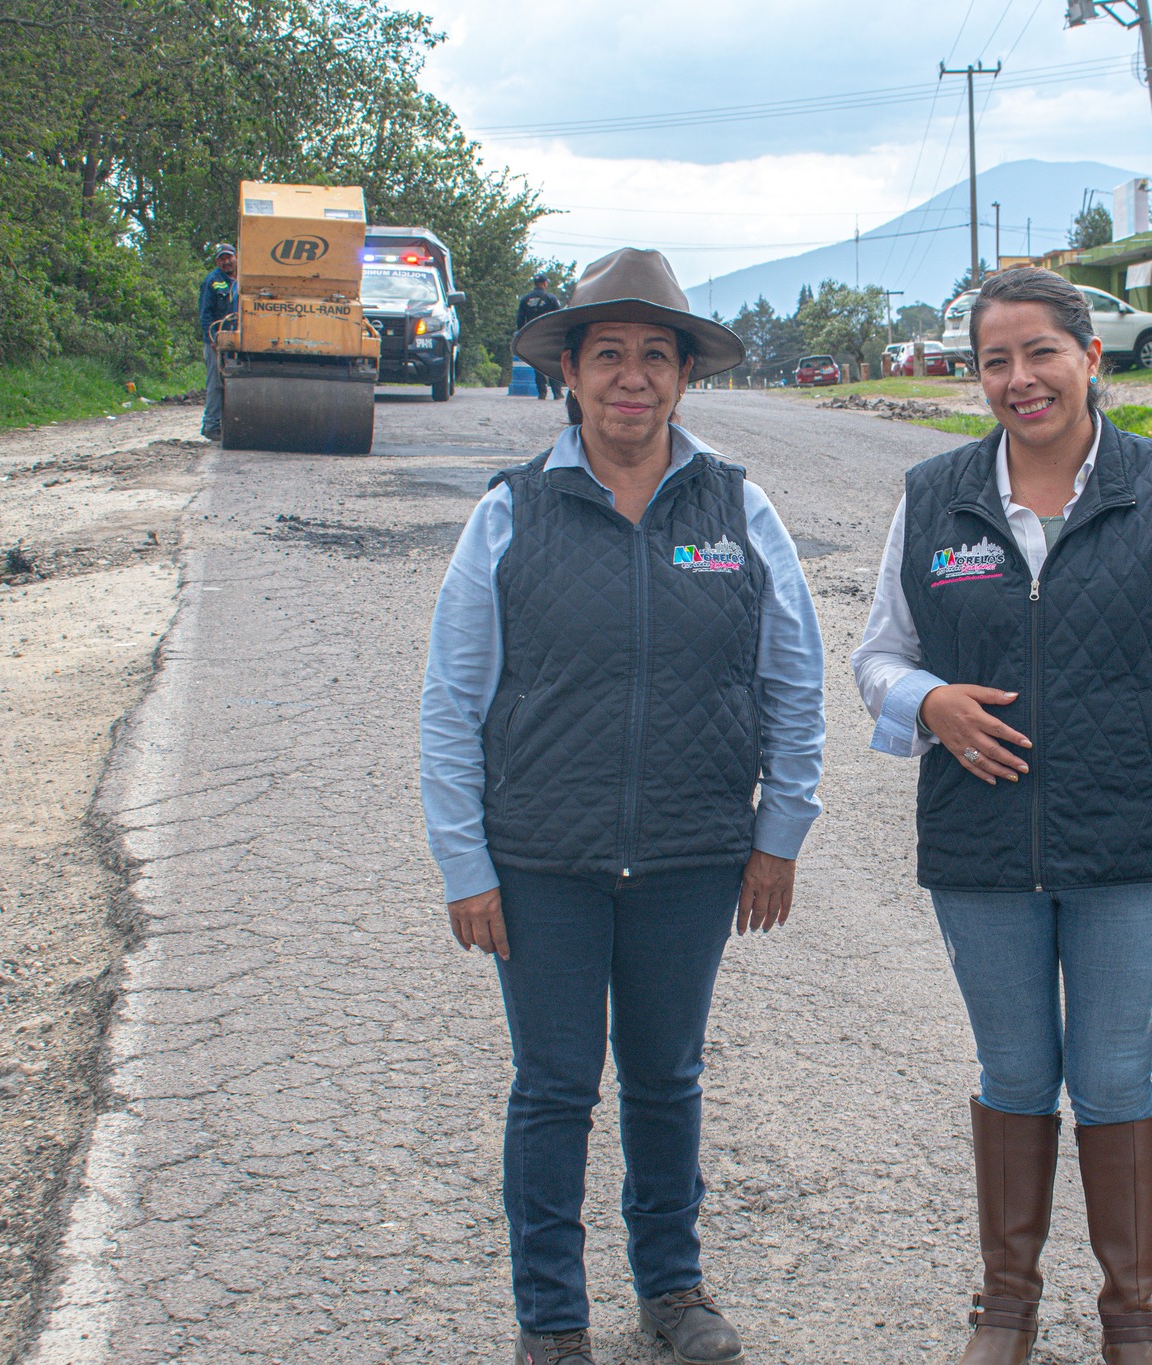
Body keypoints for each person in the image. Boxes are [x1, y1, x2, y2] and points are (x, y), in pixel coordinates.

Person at [852, 267, 1152, 1365]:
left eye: (1039, 352)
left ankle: (1129, 1313)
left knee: (1113, 1079)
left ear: (1089, 357)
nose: (1017, 379)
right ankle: (1006, 1305)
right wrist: (927, 701)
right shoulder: (934, 494)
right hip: (981, 849)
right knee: (1012, 1075)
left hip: (1127, 847)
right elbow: (878, 656)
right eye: (994, 360)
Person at [420, 247, 826, 1365]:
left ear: (685, 376)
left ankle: (673, 1291)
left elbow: (793, 679)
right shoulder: (508, 514)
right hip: (541, 859)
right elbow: (451, 703)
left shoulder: (738, 509)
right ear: (571, 375)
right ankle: (550, 1317)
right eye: (609, 357)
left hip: (695, 855)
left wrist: (777, 834)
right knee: (553, 1088)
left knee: (665, 1077)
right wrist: (465, 863)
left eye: (656, 355)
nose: (632, 378)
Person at [197, 244, 237, 441]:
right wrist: (211, 338)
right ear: (217, 262)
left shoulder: (243, 280)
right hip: (216, 341)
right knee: (216, 382)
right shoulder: (212, 282)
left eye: (229, 257)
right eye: (222, 258)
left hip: (236, 339)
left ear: (236, 257)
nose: (226, 261)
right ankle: (211, 425)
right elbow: (205, 314)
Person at [515, 273, 564, 399]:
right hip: (549, 335)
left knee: (537, 364)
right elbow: (559, 317)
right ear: (545, 283)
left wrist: (524, 334)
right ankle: (557, 392)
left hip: (533, 335)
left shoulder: (525, 299)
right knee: (552, 362)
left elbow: (520, 320)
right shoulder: (551, 298)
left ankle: (542, 392)